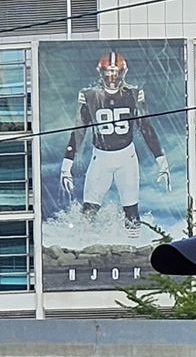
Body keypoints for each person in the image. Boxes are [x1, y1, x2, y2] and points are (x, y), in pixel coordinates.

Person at [61, 50, 171, 237]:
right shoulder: (90, 95)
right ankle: (82, 244)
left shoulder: (133, 94)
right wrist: (67, 165)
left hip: (126, 157)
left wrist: (161, 160)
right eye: (108, 72)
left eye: (115, 72)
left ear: (123, 73)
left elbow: (146, 128)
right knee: (89, 208)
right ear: (101, 72)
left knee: (131, 208)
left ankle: (134, 246)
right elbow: (80, 130)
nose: (112, 77)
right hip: (100, 158)